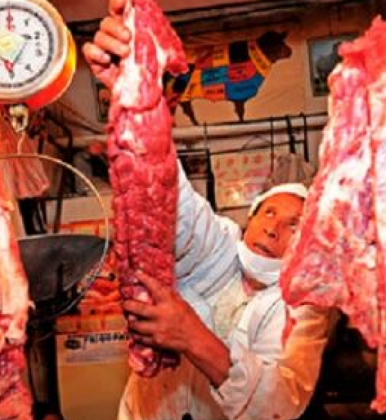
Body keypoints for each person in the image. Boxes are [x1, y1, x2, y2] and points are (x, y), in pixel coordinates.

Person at [83, 3, 334, 419]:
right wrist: (136, 92)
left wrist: (193, 336)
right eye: (269, 214)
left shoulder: (304, 310)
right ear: (249, 219)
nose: (274, 230)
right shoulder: (220, 252)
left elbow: (282, 402)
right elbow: (171, 203)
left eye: (295, 225)